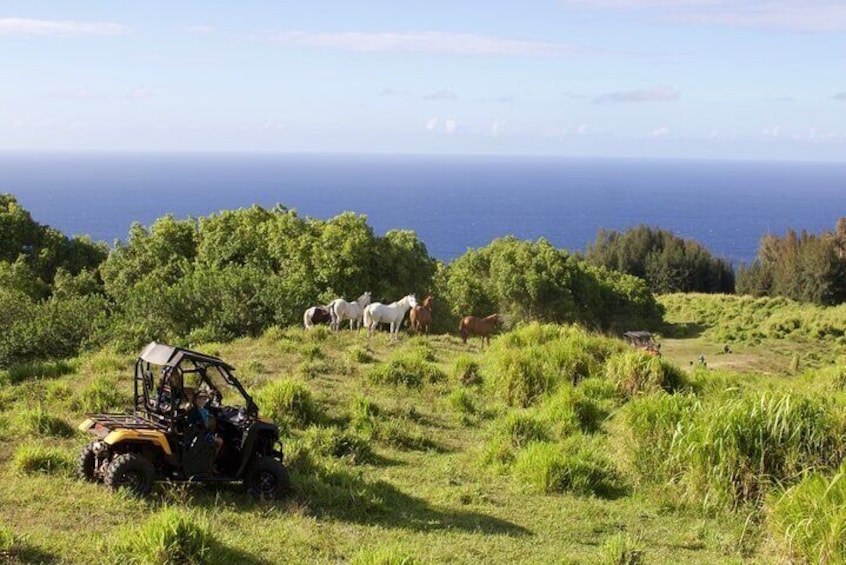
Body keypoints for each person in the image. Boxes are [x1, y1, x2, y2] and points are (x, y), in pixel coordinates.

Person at [187, 390, 224, 473]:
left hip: (205, 432)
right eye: (199, 399)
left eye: (204, 399)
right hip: (198, 435)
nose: (201, 401)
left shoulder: (205, 411)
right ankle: (211, 464)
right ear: (195, 400)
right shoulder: (193, 411)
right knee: (220, 441)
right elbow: (195, 424)